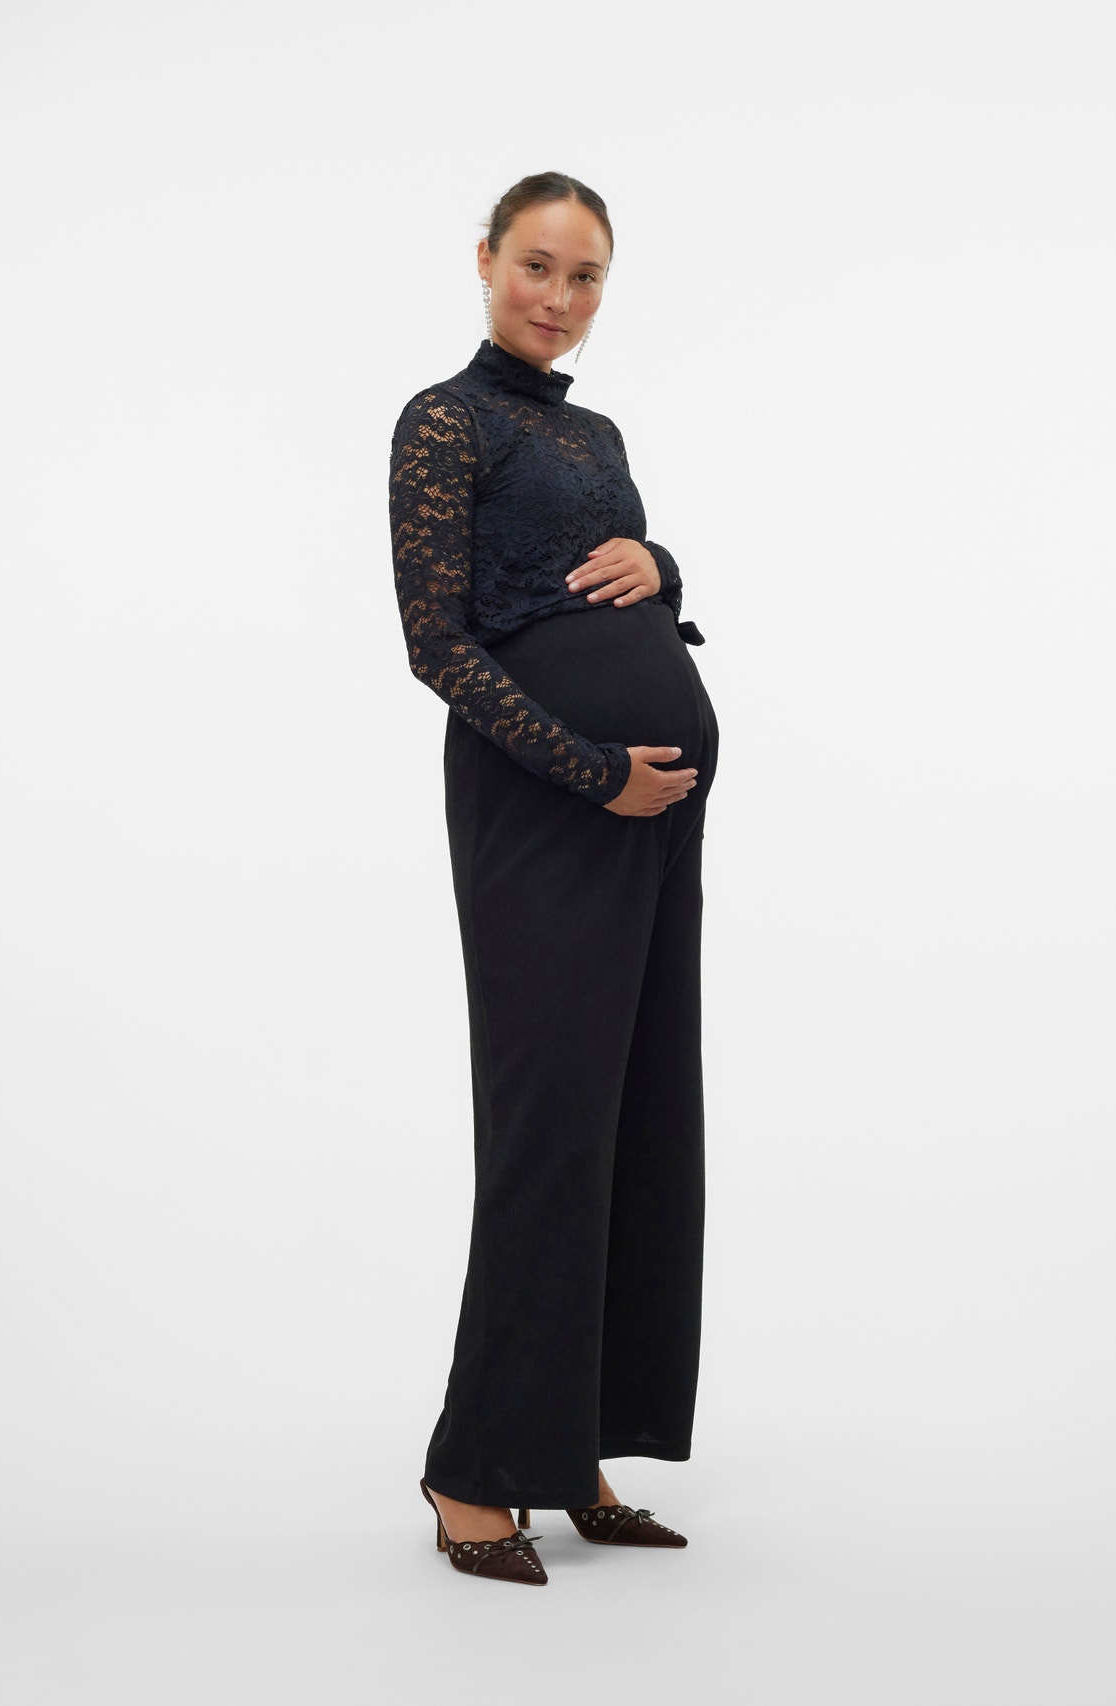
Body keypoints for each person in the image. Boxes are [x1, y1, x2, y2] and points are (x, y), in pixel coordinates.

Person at [388, 171, 719, 1587]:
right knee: (547, 1126)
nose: (559, 297)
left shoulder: (597, 433)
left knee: (636, 1119)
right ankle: (474, 1469)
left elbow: (627, 590)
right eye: (537, 265)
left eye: (586, 276)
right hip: (544, 808)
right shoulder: (443, 421)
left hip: (649, 821)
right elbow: (437, 642)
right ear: (486, 260)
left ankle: (568, 1444)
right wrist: (593, 769)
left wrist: (661, 558)